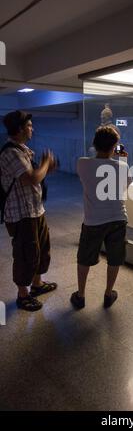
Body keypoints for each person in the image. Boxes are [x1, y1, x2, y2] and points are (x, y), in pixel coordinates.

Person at [0, 110, 57, 311]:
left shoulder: (22, 149)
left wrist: (45, 168)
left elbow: (35, 178)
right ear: (20, 129)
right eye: (29, 125)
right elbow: (31, 178)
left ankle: (37, 285)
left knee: (41, 248)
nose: (32, 128)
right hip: (21, 214)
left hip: (35, 210)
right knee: (26, 253)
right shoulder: (11, 153)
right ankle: (22, 295)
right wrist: (45, 164)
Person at [70, 125, 130, 309]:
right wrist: (120, 159)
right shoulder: (123, 165)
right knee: (114, 258)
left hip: (93, 220)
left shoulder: (83, 163)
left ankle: (80, 295)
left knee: (84, 258)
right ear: (115, 146)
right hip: (118, 218)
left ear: (95, 144)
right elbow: (125, 186)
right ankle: (108, 293)